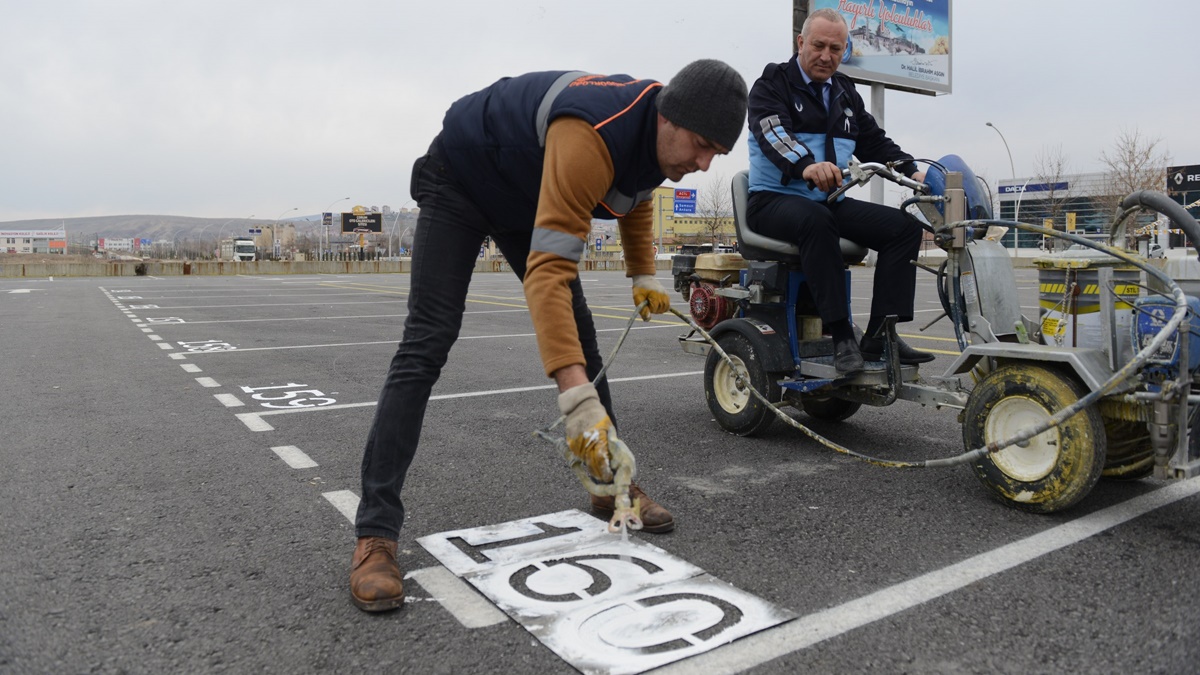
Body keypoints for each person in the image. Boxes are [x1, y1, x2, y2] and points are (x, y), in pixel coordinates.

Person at [350, 60, 748, 612]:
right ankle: (375, 533)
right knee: (427, 341)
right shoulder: (591, 135)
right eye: (702, 146)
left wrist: (643, 274)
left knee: (585, 338)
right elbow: (548, 273)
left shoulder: (660, 141)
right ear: (669, 119)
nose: (704, 164)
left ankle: (607, 485)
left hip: (521, 191)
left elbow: (634, 195)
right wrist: (575, 397)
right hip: (461, 179)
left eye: (717, 156)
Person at [746, 7, 934, 374]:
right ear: (801, 42)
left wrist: (914, 169)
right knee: (817, 220)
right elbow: (772, 132)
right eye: (818, 46)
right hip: (773, 202)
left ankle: (880, 334)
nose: (826, 56)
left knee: (904, 228)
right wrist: (806, 165)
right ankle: (841, 336)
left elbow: (874, 142)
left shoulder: (844, 91)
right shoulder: (772, 84)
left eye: (836, 48)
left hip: (828, 202)